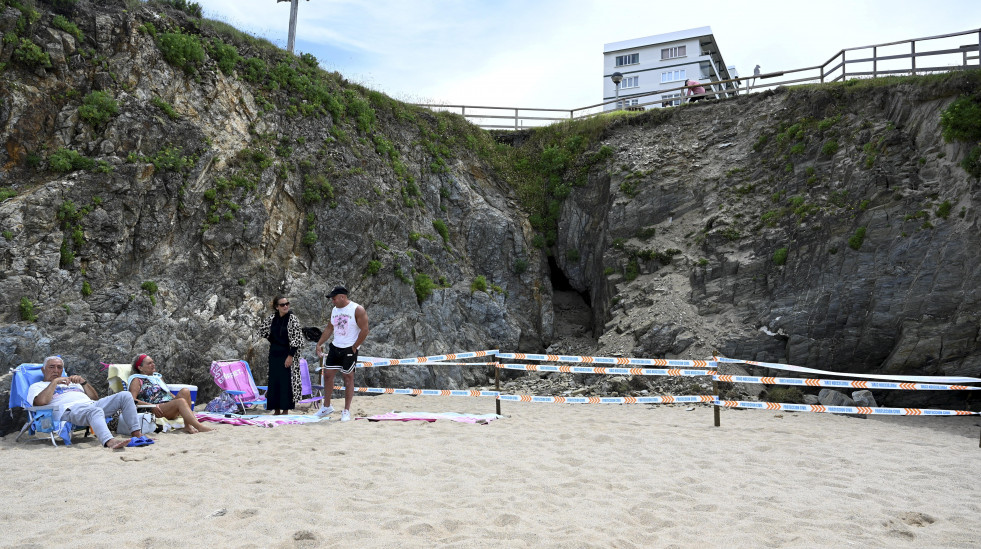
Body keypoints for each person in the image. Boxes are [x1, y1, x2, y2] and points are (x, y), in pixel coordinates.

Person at [27, 356, 150, 449]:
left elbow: (94, 398)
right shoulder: (37, 386)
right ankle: (109, 441)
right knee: (95, 411)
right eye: (51, 367)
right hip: (70, 410)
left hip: (90, 405)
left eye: (59, 367)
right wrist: (54, 382)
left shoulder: (70, 383)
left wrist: (83, 383)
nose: (56, 370)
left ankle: (137, 434)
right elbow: (40, 402)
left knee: (125, 395)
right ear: (43, 370)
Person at [315, 286, 369, 422]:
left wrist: (355, 346)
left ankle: (346, 411)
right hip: (335, 346)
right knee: (327, 375)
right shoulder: (334, 310)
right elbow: (329, 327)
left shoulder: (357, 309)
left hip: (349, 348)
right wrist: (319, 343)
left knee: (348, 377)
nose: (332, 301)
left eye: (334, 298)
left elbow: (365, 329)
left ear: (342, 297)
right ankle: (326, 406)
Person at [129, 354, 214, 433]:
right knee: (180, 401)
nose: (153, 364)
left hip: (167, 406)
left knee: (185, 391)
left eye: (153, 362)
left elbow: (167, 392)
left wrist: (174, 400)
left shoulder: (157, 377)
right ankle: (199, 426)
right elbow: (132, 399)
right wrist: (151, 406)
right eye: (149, 363)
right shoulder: (136, 380)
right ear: (140, 368)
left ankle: (187, 426)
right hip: (155, 409)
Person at [257, 295, 304, 415]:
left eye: (287, 303)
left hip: (287, 353)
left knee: (286, 381)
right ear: (277, 307)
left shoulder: (293, 319)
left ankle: (285, 410)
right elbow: (261, 331)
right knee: (274, 381)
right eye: (282, 304)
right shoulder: (272, 318)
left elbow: (297, 339)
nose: (286, 306)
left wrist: (290, 356)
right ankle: (276, 409)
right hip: (274, 353)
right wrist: (272, 339)